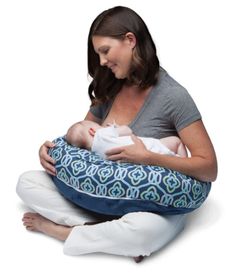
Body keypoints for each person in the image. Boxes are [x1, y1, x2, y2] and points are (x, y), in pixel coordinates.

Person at [16, 6, 217, 263]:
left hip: (151, 204)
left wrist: (149, 157)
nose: (101, 62)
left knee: (143, 231)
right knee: (27, 183)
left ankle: (67, 231)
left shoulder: (173, 96)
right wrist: (50, 151)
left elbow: (209, 168)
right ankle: (107, 229)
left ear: (130, 40)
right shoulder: (110, 85)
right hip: (104, 191)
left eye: (105, 51)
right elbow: (83, 134)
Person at [65, 119, 188, 158]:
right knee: (176, 142)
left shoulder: (97, 154)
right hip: (150, 147)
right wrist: (116, 127)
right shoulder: (101, 134)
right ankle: (184, 166)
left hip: (148, 159)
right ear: (92, 131)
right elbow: (128, 131)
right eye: (96, 125)